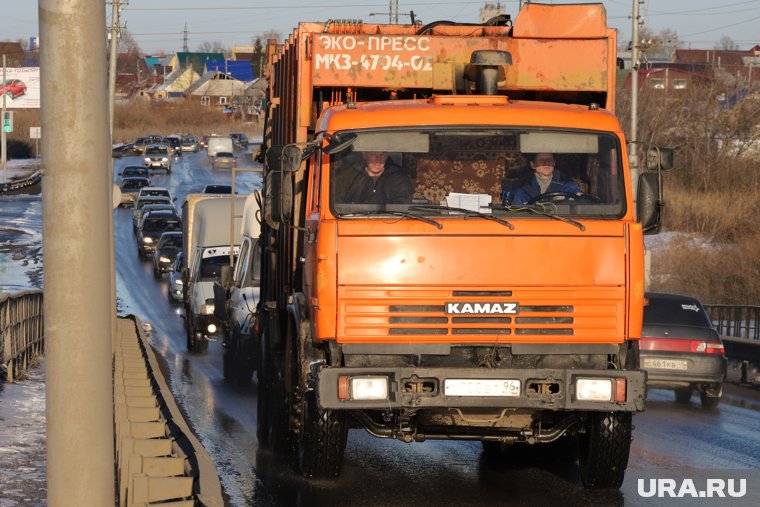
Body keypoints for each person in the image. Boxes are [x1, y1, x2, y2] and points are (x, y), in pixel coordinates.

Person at [334, 151, 413, 204]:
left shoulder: (399, 178)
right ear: (364, 155)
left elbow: (403, 206)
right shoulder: (348, 176)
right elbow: (337, 203)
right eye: (373, 154)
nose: (378, 159)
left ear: (387, 156)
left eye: (383, 154)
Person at [510, 153, 580, 204]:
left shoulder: (569, 186)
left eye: (549, 159)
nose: (546, 162)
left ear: (554, 163)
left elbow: (579, 208)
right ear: (533, 165)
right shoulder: (521, 189)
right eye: (541, 160)